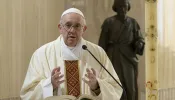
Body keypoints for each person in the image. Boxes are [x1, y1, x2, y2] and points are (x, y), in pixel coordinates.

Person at [20, 8, 123, 100]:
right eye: (68, 25)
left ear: (84, 29)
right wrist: (50, 84)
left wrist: (97, 86)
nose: (72, 30)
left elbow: (115, 88)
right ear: (60, 27)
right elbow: (28, 93)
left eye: (77, 26)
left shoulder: (97, 53)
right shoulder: (41, 54)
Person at [98, 0, 145, 100]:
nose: (122, 9)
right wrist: (102, 60)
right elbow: (102, 44)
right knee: (115, 84)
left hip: (129, 58)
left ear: (128, 7)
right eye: (120, 7)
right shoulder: (108, 22)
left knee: (130, 86)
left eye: (125, 7)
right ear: (116, 8)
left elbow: (139, 38)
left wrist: (140, 43)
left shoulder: (133, 23)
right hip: (113, 57)